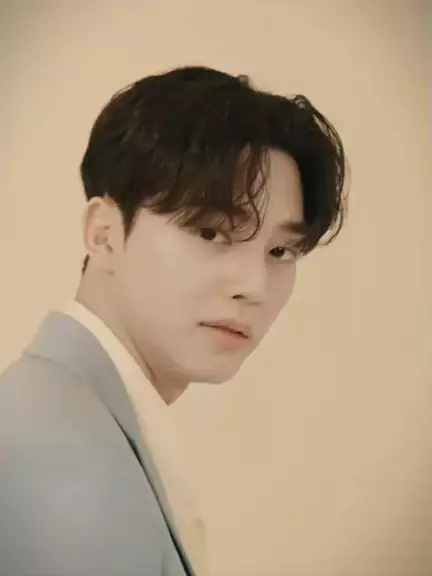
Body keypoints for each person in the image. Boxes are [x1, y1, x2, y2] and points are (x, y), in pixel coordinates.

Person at [0, 66, 347, 576]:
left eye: (281, 251)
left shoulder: (65, 414)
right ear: (104, 233)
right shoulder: (70, 467)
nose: (254, 285)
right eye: (211, 232)